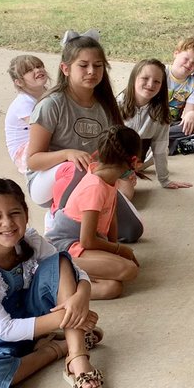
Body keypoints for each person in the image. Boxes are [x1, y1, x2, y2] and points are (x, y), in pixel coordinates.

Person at [0, 178, 105, 388]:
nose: (7, 223)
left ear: (26, 215)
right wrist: (70, 317)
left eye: (14, 213)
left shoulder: (29, 239)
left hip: (27, 311)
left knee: (59, 261)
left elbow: (71, 269)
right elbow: (5, 329)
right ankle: (57, 348)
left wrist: (81, 296)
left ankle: (77, 357)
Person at [25, 31, 143, 244]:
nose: (91, 71)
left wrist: (125, 170)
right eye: (83, 65)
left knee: (133, 230)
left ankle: (83, 224)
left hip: (90, 180)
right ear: (66, 68)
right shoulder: (52, 104)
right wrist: (68, 154)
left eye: (98, 66)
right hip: (47, 184)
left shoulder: (105, 106)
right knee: (81, 167)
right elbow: (33, 160)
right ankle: (56, 220)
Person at [44, 126, 143, 299]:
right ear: (133, 160)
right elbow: (87, 240)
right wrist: (120, 249)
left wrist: (114, 250)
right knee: (129, 270)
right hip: (68, 243)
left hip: (82, 243)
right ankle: (52, 266)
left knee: (112, 288)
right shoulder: (95, 187)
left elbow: (111, 217)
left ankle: (61, 287)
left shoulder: (109, 178)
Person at [118, 58, 192, 195]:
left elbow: (160, 148)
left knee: (125, 195)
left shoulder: (161, 115)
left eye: (157, 81)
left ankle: (140, 165)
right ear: (133, 78)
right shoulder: (116, 105)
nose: (150, 84)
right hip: (111, 161)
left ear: (162, 86)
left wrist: (164, 180)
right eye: (145, 78)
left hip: (132, 164)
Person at [3, 54, 47, 174]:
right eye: (29, 70)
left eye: (39, 66)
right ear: (19, 82)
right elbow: (41, 128)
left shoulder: (49, 95)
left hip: (37, 143)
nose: (37, 70)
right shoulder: (23, 103)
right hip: (22, 152)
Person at [165, 37, 194, 155]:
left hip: (171, 125)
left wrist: (191, 114)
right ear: (176, 53)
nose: (189, 63)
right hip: (150, 120)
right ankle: (180, 146)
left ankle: (151, 142)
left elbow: (190, 110)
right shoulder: (160, 72)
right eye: (186, 58)